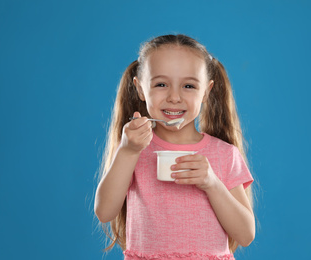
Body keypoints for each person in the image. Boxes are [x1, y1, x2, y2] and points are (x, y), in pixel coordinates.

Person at [94, 34, 256, 259]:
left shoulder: (224, 154)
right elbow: (104, 212)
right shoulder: (134, 149)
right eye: (161, 84)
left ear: (206, 91)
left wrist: (211, 184)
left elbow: (246, 234)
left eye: (188, 86)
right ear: (140, 88)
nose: (174, 97)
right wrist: (127, 151)